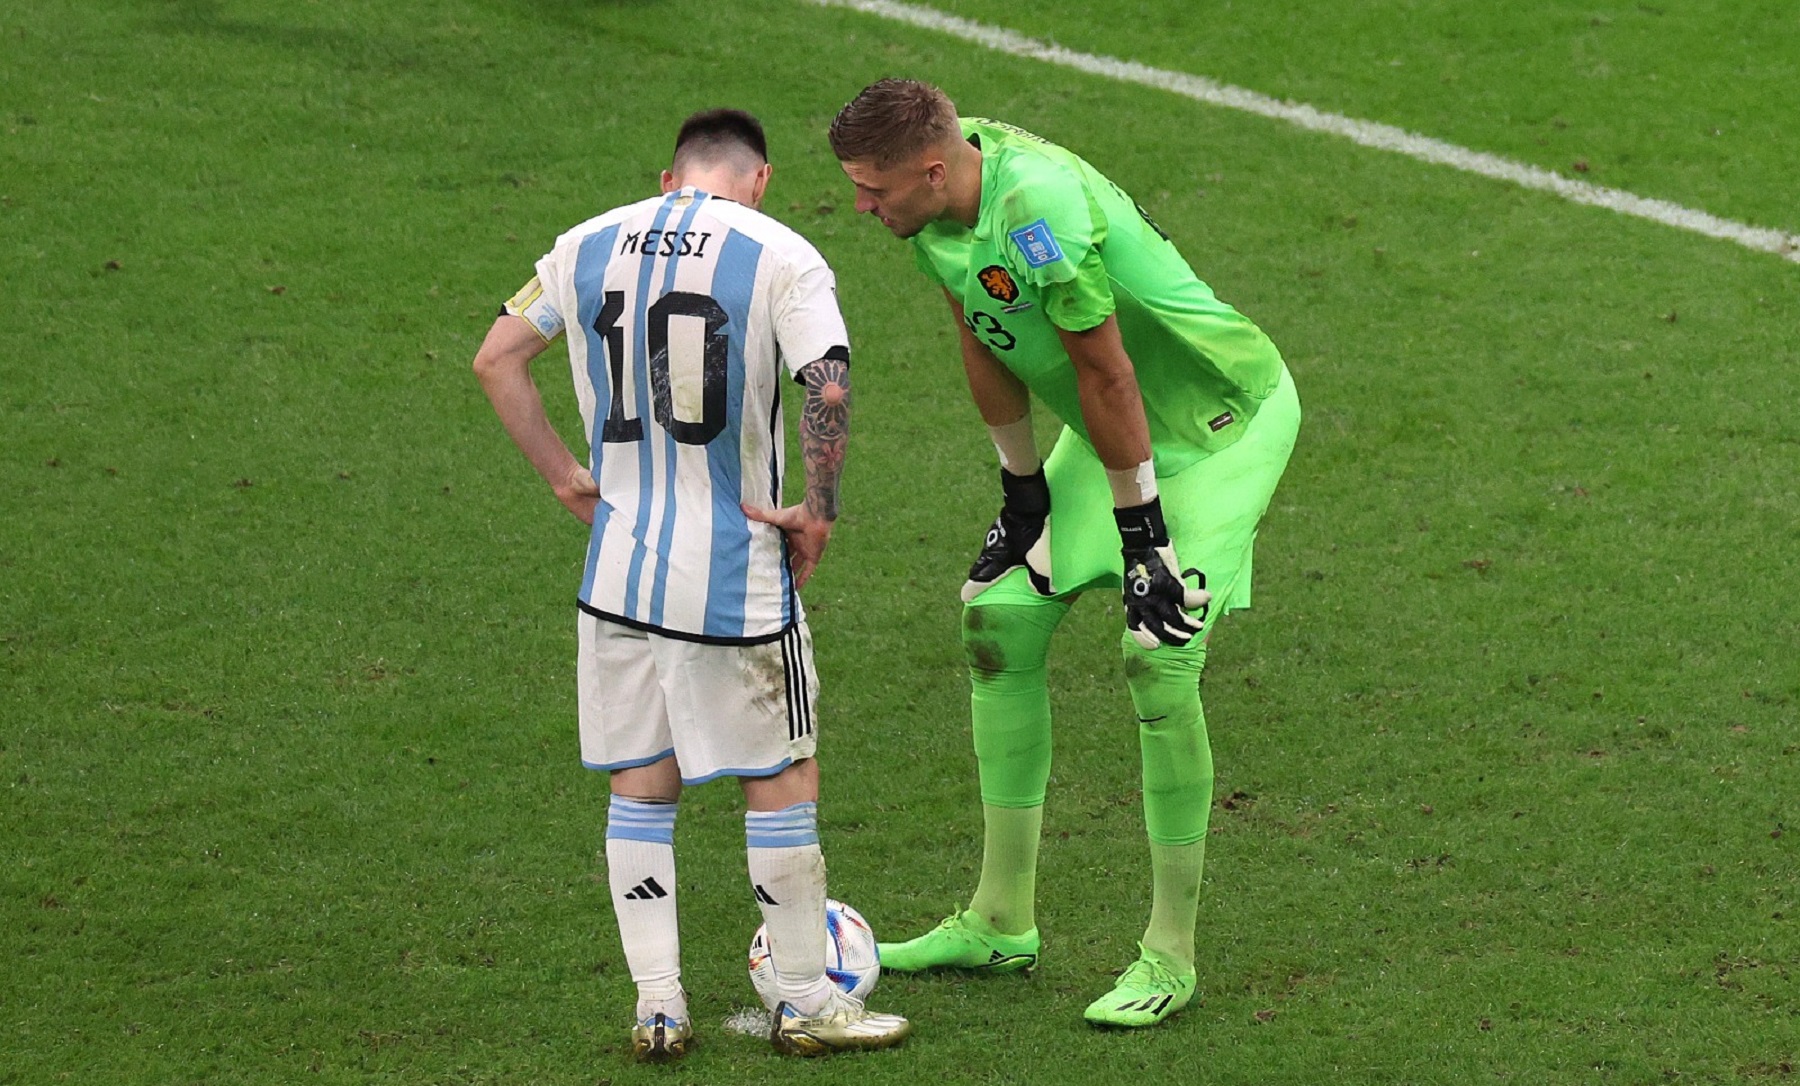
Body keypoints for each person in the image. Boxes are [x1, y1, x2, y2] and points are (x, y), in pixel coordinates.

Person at [827, 80, 1301, 1029]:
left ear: (930, 168)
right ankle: (1001, 922)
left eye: (873, 189)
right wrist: (1021, 490)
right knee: (998, 619)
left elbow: (1106, 368)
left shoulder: (1035, 206)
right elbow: (979, 323)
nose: (860, 207)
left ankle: (1169, 956)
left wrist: (1143, 537)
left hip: (1216, 427)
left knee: (1158, 656)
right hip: (1112, 429)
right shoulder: (935, 208)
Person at [472, 108, 911, 1061]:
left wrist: (560, 473)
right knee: (784, 774)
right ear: (758, 179)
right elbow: (826, 383)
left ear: (669, 173)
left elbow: (497, 359)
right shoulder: (782, 252)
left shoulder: (583, 245)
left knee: (642, 781)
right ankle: (806, 999)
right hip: (732, 578)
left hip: (617, 573)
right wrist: (817, 508)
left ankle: (659, 1007)